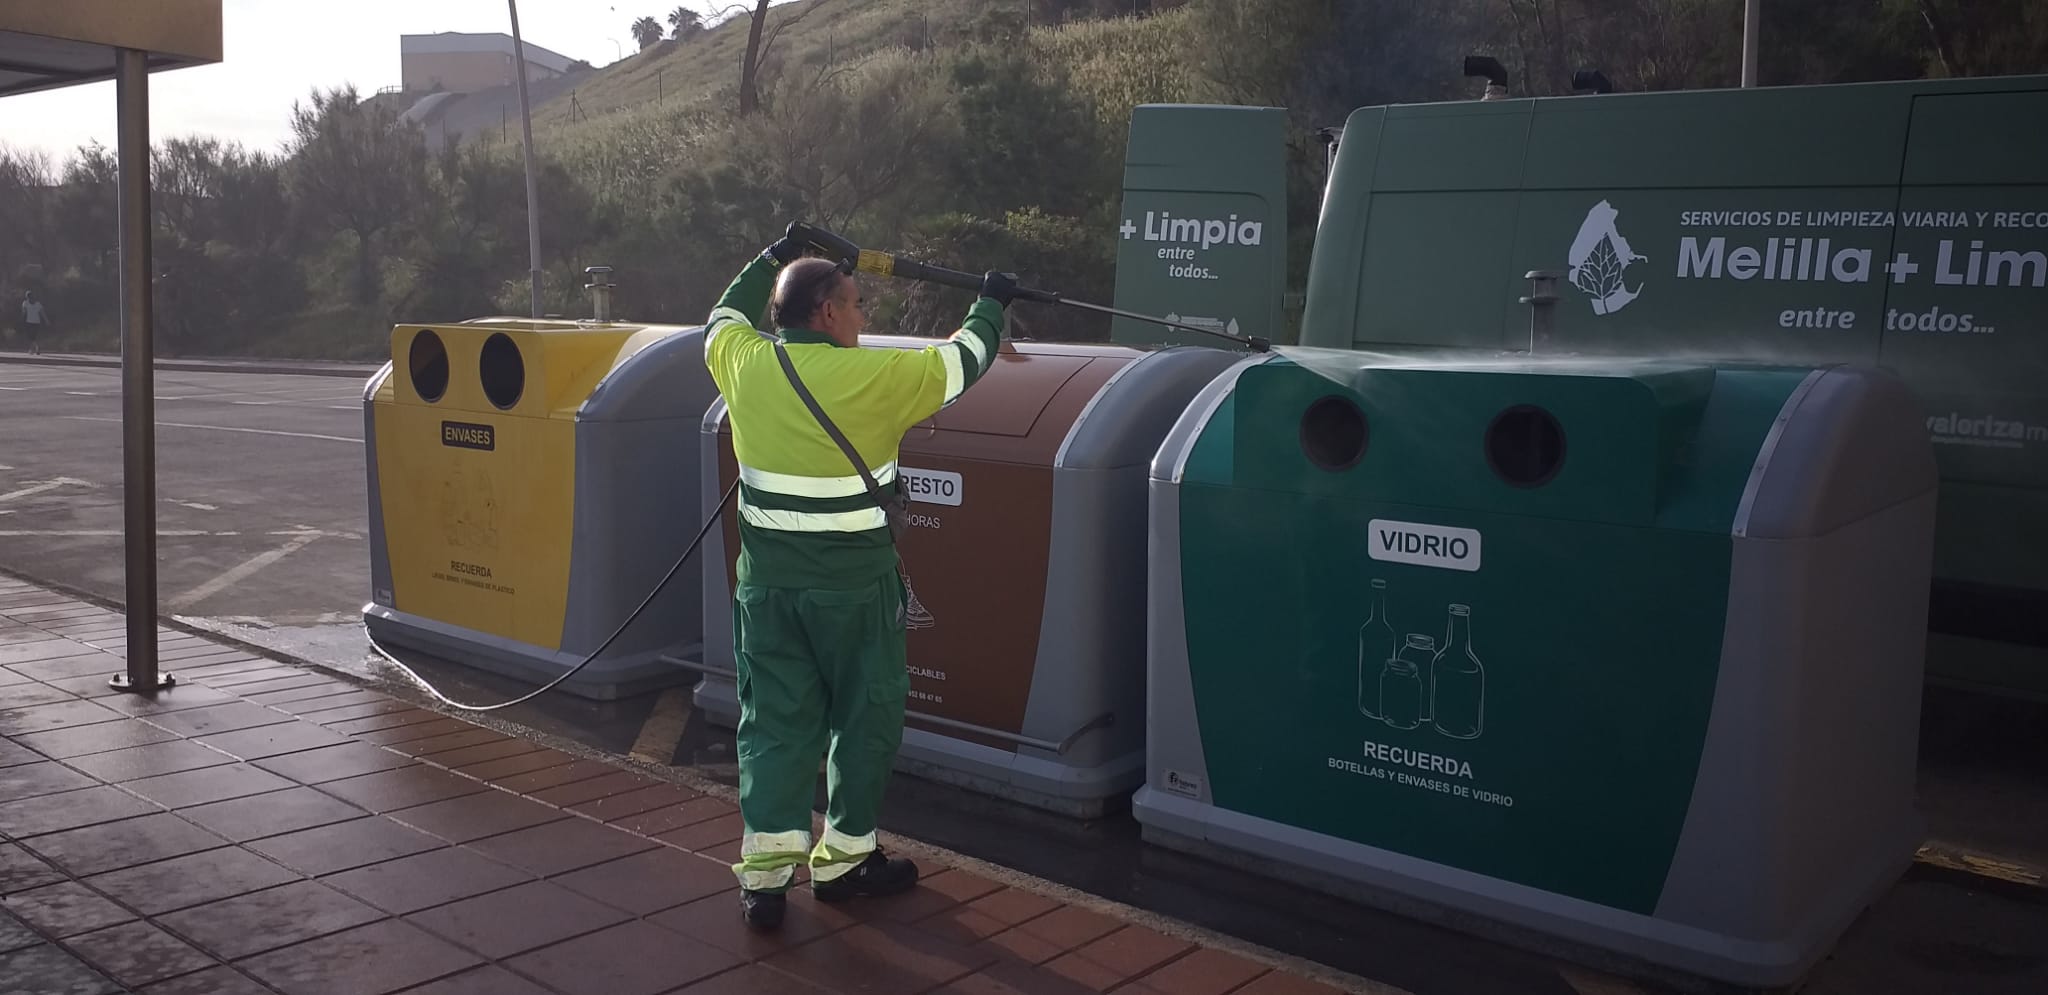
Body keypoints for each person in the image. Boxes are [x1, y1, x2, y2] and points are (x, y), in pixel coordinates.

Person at [702, 225, 1014, 929]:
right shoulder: (877, 376)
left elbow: (721, 315)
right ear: (826, 314)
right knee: (865, 718)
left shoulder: (744, 364)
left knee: (775, 724)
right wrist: (992, 302)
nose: (865, 316)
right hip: (855, 592)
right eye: (857, 302)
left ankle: (766, 880)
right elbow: (964, 361)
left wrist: (769, 257)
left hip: (767, 592)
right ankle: (843, 862)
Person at [19, 292, 47, 356]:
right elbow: (42, 313)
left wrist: (21, 319)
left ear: (27, 297)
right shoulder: (38, 304)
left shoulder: (25, 303)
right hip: (37, 322)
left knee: (31, 337)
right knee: (33, 337)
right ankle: (33, 349)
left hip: (29, 322)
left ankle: (35, 348)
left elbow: (24, 312)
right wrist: (46, 320)